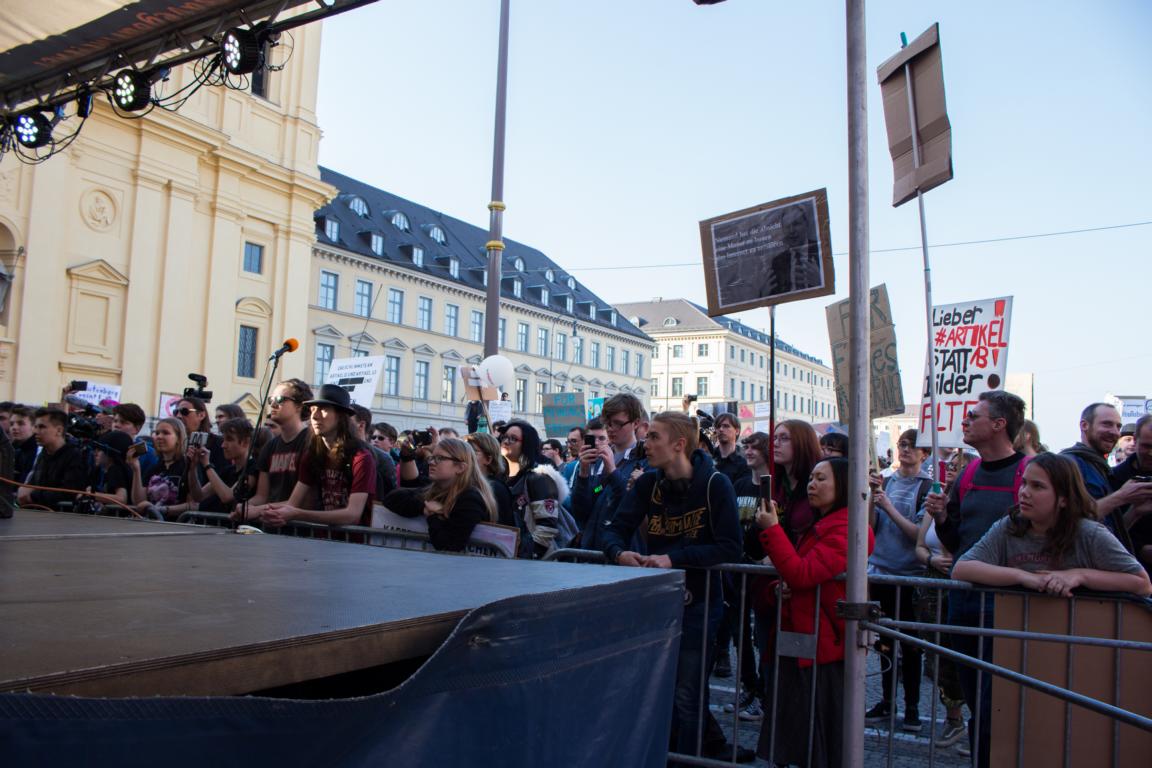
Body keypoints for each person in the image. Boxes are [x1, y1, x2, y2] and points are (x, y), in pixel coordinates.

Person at [601, 411, 747, 762]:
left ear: (679, 444)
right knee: (657, 688)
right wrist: (619, 553)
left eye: (653, 437)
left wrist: (674, 558)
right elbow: (614, 529)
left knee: (687, 693)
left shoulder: (715, 484)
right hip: (655, 603)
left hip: (700, 603)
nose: (646, 443)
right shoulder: (650, 484)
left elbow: (730, 546)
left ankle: (690, 758)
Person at [923, 389, 1028, 768]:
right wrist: (940, 517)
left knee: (999, 702)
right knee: (975, 699)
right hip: (963, 601)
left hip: (1008, 604)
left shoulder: (1029, 472)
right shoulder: (967, 473)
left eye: (973, 416)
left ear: (999, 424)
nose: (964, 421)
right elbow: (957, 542)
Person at [754, 457, 873, 767]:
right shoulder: (822, 524)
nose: (812, 484)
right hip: (805, 640)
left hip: (824, 647)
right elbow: (796, 577)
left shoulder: (848, 529)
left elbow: (802, 573)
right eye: (811, 478)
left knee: (819, 736)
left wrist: (772, 531)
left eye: (821, 478)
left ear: (843, 485)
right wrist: (780, 590)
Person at [953, 453, 1150, 597]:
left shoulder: (1089, 533)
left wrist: (1079, 575)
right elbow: (962, 569)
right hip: (1020, 637)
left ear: (1064, 498)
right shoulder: (1010, 525)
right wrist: (1024, 577)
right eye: (1024, 483)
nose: (1024, 492)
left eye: (1037, 486)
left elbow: (1142, 583)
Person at [865, 429, 934, 732]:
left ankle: (913, 707)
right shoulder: (887, 482)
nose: (905, 450)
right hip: (881, 570)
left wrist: (887, 507)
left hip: (910, 576)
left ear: (925, 454)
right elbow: (871, 527)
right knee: (885, 644)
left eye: (912, 446)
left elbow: (917, 535)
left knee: (911, 646)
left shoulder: (929, 488)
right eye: (902, 445)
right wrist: (870, 498)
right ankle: (887, 701)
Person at [914, 448, 973, 750]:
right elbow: (920, 546)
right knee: (938, 656)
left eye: (959, 465)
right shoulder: (934, 504)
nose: (952, 469)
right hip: (934, 585)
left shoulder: (969, 505)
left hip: (963, 584)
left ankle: (977, 722)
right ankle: (954, 719)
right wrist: (931, 561)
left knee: (965, 654)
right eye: (950, 465)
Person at [262, 384, 376, 527]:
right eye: (313, 409)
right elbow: (292, 504)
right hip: (322, 542)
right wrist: (256, 510)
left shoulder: (361, 458)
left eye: (324, 409)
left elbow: (352, 515)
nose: (315, 416)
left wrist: (297, 514)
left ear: (341, 416)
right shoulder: (312, 454)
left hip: (354, 546)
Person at [1061, 403, 1152, 550]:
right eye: (1107, 424)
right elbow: (1067, 522)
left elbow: (1107, 532)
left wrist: (1135, 512)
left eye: (1118, 426)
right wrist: (1121, 496)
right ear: (1084, 425)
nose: (1115, 432)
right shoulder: (1069, 463)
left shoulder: (1100, 468)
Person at [384, 438, 498, 551]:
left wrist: (434, 516)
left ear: (460, 467)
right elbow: (391, 498)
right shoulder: (437, 488)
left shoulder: (471, 499)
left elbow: (449, 545)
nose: (431, 462)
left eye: (439, 458)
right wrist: (425, 507)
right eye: (432, 457)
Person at [571, 395, 648, 552]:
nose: (611, 429)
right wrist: (583, 473)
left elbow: (632, 505)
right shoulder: (599, 459)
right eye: (608, 423)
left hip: (624, 552)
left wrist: (612, 471)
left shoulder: (646, 459)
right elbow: (581, 510)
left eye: (618, 424)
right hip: (592, 551)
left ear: (636, 423)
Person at [239, 379, 312, 522]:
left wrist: (258, 510)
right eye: (270, 399)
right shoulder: (270, 446)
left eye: (280, 399)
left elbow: (305, 502)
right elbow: (262, 496)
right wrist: (244, 507)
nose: (273, 404)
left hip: (300, 529)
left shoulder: (310, 442)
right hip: (272, 524)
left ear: (299, 406)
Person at [500, 419, 568, 559]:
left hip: (534, 564)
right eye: (505, 437)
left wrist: (525, 554)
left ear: (526, 445)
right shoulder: (502, 476)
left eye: (513, 439)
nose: (506, 441)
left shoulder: (539, 478)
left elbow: (547, 529)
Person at [17, 408, 89, 510]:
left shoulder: (74, 456)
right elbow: (32, 484)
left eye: (42, 427)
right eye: (35, 426)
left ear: (59, 430)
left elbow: (70, 492)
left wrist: (33, 495)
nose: (35, 431)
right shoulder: (43, 453)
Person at [127, 417, 190, 520]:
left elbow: (194, 504)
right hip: (153, 525)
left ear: (179, 438)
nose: (159, 437)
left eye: (166, 433)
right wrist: (136, 468)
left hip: (177, 528)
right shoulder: (154, 467)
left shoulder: (188, 465)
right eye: (157, 433)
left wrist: (162, 509)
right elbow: (139, 502)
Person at [1110, 414, 1152, 570]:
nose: (1150, 453)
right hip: (1129, 569)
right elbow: (1105, 532)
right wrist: (1139, 548)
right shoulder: (1114, 478)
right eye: (1147, 446)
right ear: (1135, 440)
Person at [187, 417, 254, 512]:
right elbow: (199, 496)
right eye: (223, 439)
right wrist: (192, 468)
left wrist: (207, 465)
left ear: (245, 442)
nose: (223, 445)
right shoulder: (228, 470)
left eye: (229, 439)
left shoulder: (253, 467)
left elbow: (227, 497)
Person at [464, 432, 516, 527]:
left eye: (473, 452)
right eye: (465, 451)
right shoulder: (464, 482)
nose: (465, 456)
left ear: (488, 459)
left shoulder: (495, 488)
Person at [351, 404, 397, 501]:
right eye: (374, 437)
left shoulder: (384, 459)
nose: (376, 440)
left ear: (361, 425)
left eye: (380, 438)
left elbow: (390, 495)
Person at [173, 395, 226, 469]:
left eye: (184, 411)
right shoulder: (174, 442)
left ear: (201, 415)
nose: (178, 416)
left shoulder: (219, 443)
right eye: (175, 412)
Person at [87, 430, 135, 508]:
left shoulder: (116, 470)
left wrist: (92, 495)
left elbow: (122, 498)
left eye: (99, 450)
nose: (95, 453)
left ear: (111, 453)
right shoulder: (101, 470)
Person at [111, 403, 158, 477]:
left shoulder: (149, 455)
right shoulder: (106, 449)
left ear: (137, 428)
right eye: (115, 421)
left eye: (123, 422)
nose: (116, 425)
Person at [711, 412, 752, 489]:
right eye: (718, 426)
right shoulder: (708, 457)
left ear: (737, 431)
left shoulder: (745, 460)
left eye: (726, 426)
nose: (721, 429)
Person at [9, 404, 38, 482]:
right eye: (11, 424)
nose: (14, 427)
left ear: (34, 427)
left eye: (20, 423)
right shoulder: (16, 450)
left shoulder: (39, 451)